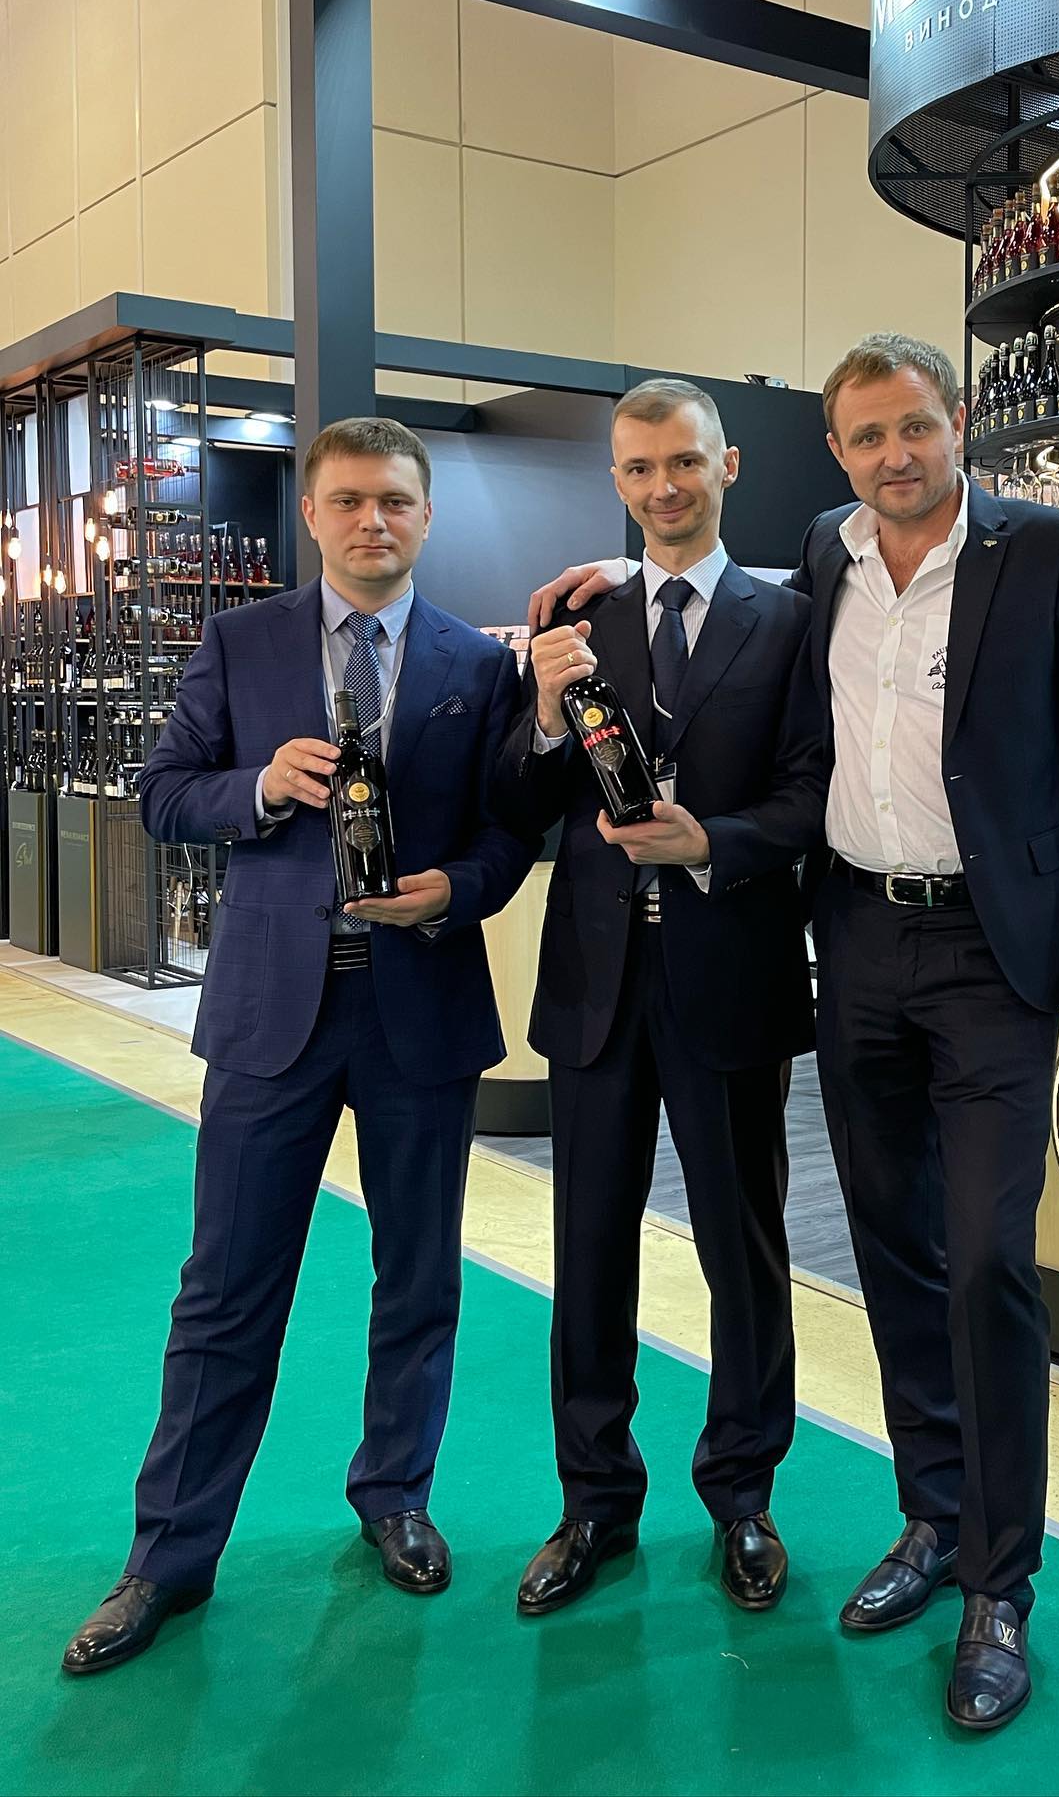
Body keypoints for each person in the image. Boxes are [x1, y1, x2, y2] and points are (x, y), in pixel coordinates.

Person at [528, 333, 1059, 1733]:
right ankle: (932, 1518)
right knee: (892, 1249)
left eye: (914, 427)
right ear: (835, 452)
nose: (895, 454)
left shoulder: (1047, 552)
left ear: (959, 422)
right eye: (868, 435)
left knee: (989, 1258)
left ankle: (1001, 1583)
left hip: (995, 954)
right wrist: (606, 584)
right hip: (859, 939)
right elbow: (715, 606)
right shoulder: (825, 553)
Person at [60, 418, 537, 1675]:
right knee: (225, 1286)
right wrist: (261, 786)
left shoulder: (474, 665)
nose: (373, 520)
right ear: (313, 514)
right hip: (273, 1012)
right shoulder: (243, 642)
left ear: (424, 515)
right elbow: (164, 795)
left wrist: (454, 891)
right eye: (349, 500)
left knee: (418, 1274)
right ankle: (167, 1556)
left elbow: (508, 836)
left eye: (395, 501)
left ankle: (396, 1495)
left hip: (419, 1008)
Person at [493, 379, 826, 1617]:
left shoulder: (789, 623)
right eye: (638, 468)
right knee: (588, 1248)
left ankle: (743, 1494)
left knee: (745, 1248)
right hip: (596, 986)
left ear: (726, 465)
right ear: (616, 480)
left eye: (683, 462)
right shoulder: (574, 620)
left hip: (729, 974)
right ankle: (593, 1501)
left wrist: (712, 843)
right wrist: (541, 713)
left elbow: (813, 797)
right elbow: (517, 801)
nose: (662, 487)